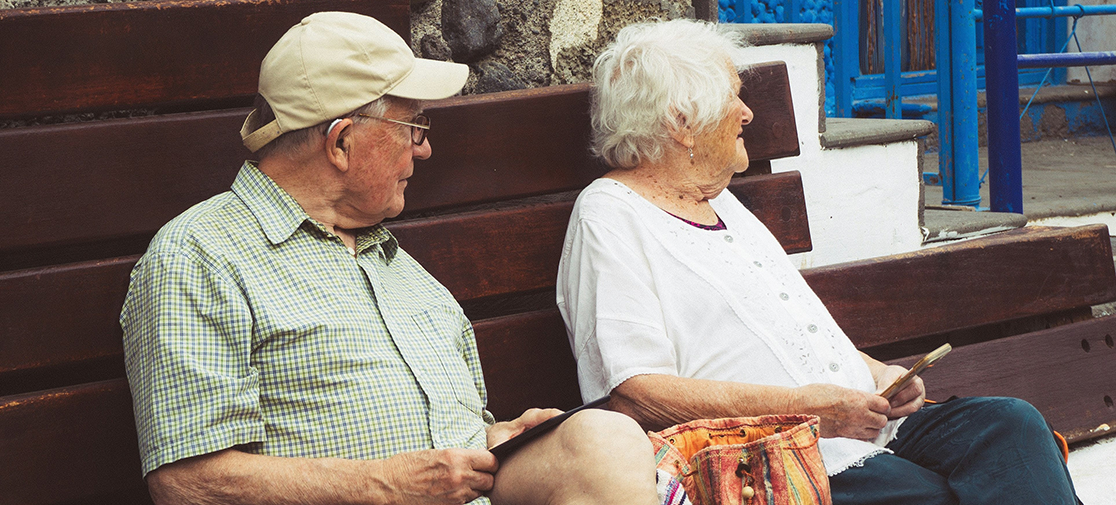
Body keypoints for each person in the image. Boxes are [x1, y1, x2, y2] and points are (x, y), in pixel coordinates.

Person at [120, 12, 661, 505]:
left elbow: (443, 442)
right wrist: (385, 486)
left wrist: (496, 439)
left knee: (604, 441)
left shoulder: (398, 268)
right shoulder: (200, 255)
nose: (424, 149)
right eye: (414, 127)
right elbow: (186, 484)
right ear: (342, 143)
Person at [557, 18, 1081, 505]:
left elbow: (785, 333)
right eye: (733, 99)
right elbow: (633, 393)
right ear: (680, 122)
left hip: (862, 427)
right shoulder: (608, 216)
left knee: (1010, 426)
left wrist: (879, 376)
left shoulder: (723, 203)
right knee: (942, 492)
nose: (747, 113)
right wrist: (810, 411)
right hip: (775, 457)